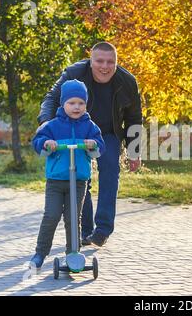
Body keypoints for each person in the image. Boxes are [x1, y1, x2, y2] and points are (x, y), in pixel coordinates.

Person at [37, 42, 142, 247]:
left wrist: (133, 151)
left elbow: (134, 118)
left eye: (110, 61)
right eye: (99, 61)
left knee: (110, 169)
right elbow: (51, 98)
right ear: (91, 60)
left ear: (116, 62)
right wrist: (46, 125)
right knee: (79, 175)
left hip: (109, 133)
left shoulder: (127, 81)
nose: (105, 66)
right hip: (78, 130)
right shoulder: (74, 74)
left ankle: (102, 230)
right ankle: (85, 230)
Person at [30, 79, 106, 268]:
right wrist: (47, 144)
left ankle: (73, 254)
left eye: (81, 103)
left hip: (79, 180)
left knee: (73, 218)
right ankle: (40, 253)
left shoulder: (90, 126)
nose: (76, 107)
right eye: (71, 103)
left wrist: (93, 144)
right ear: (63, 103)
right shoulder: (53, 125)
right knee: (52, 215)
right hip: (56, 181)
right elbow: (38, 141)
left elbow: (100, 146)